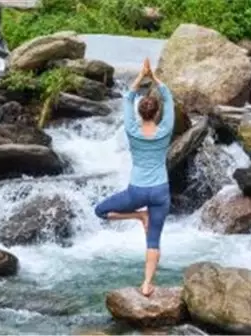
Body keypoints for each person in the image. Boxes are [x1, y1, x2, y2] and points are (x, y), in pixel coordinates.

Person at [94, 57, 174, 297]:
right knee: (153, 241)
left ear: (140, 112)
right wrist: (155, 78)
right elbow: (168, 96)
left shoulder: (131, 129)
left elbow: (127, 98)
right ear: (157, 112)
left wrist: (141, 76)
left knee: (100, 211)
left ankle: (138, 215)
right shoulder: (166, 129)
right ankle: (147, 284)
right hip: (160, 191)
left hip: (137, 191)